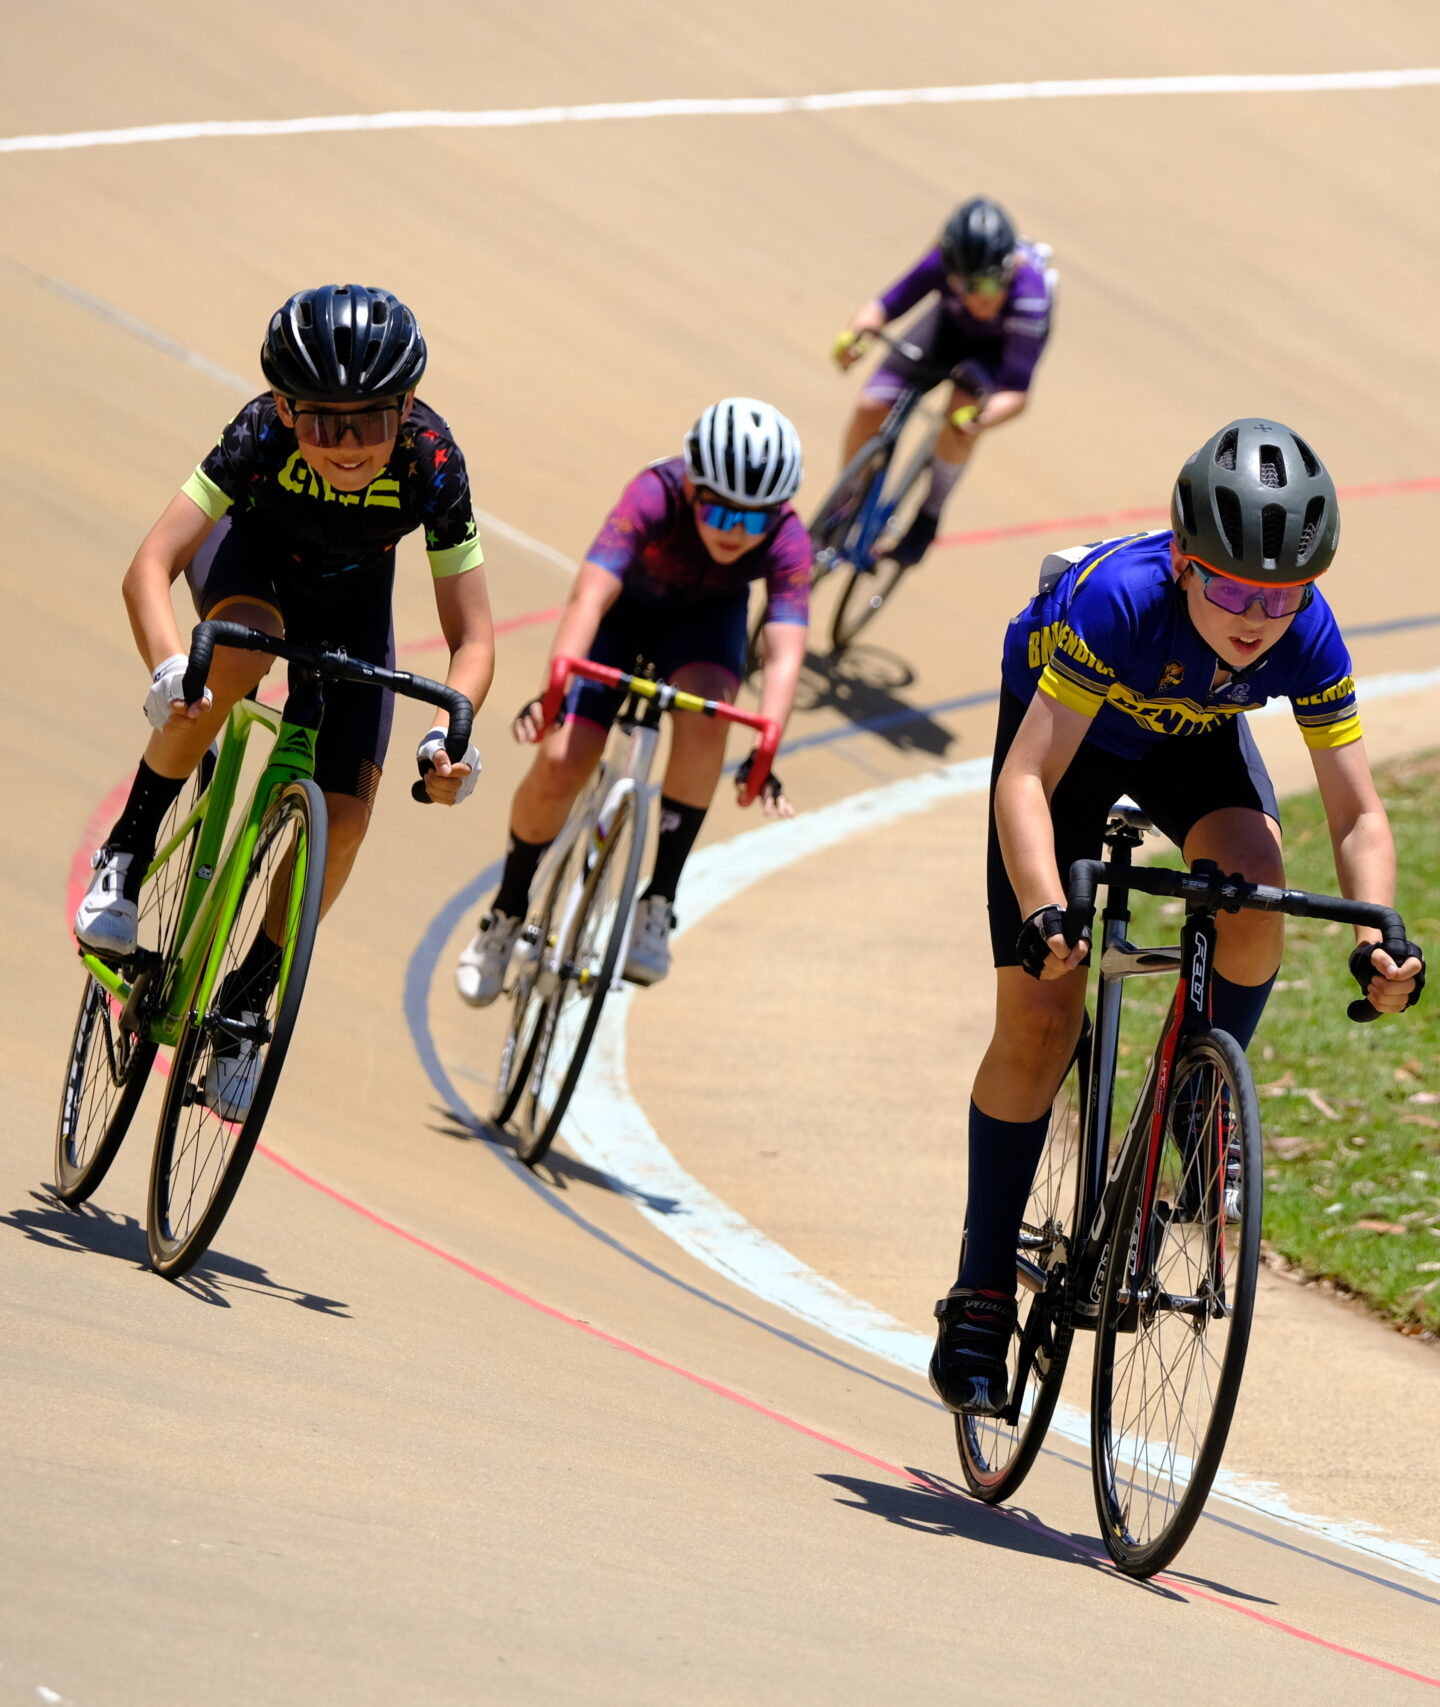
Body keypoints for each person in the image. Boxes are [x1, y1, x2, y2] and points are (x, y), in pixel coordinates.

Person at [927, 417, 1427, 1415]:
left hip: (1189, 737)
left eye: (1281, 596)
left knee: (1255, 880)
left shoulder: (1305, 630)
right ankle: (981, 1290)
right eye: (1234, 591)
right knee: (1042, 1015)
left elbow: (1356, 811)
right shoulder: (1122, 601)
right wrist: (1045, 910)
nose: (1257, 619)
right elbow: (1025, 780)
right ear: (1186, 565)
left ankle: (1194, 1100)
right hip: (1068, 740)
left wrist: (1380, 932)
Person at [74, 283, 492, 1119]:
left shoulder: (432, 460)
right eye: (323, 425)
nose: (348, 447)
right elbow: (151, 565)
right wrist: (169, 670)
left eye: (371, 422)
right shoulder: (259, 431)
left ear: (408, 406)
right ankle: (126, 852)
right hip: (252, 567)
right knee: (236, 655)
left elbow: (472, 638)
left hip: (353, 608)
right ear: (287, 407)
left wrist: (450, 738)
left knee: (347, 818)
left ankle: (244, 1003)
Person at [454, 399, 808, 1000]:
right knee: (563, 760)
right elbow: (589, 598)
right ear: (692, 486)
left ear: (776, 516)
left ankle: (658, 899)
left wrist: (766, 742)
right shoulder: (653, 494)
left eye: (754, 521)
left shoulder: (789, 538)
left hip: (704, 630)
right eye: (720, 510)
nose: (734, 531)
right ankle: (506, 911)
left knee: (709, 721)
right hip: (623, 619)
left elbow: (784, 653)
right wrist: (554, 688)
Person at [831, 195, 1056, 569]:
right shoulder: (941, 263)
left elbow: (1016, 394)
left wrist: (982, 418)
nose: (975, 299)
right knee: (871, 404)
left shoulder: (1029, 301)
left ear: (1009, 270)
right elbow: (882, 307)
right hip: (947, 331)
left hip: (994, 354)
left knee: (960, 419)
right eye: (963, 286)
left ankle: (928, 516)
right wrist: (857, 336)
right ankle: (844, 503)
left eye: (986, 286)